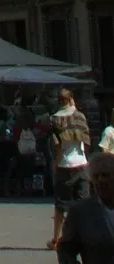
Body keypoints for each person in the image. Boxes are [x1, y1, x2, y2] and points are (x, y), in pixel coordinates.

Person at [51, 89, 93, 252]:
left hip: (64, 165)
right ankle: (87, 237)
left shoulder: (55, 118)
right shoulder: (80, 116)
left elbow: (58, 146)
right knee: (83, 202)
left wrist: (55, 164)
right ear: (72, 99)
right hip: (81, 163)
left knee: (61, 205)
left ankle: (56, 239)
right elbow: (87, 141)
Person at [56, 150, 114, 264]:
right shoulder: (79, 212)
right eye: (96, 177)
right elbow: (65, 250)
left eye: (106, 175)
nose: (101, 180)